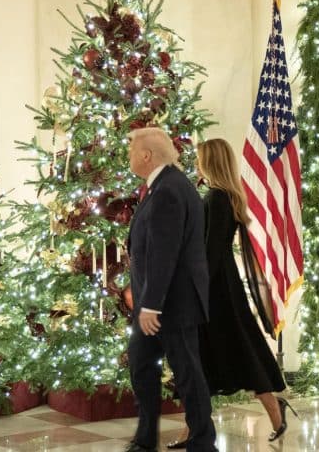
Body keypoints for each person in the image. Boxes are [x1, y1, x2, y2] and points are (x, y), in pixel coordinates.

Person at [165, 139, 294, 449]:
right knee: (216, 355)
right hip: (220, 286)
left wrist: (193, 289)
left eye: (200, 159)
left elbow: (210, 252)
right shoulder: (221, 196)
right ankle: (195, 428)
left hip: (217, 290)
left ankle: (272, 411)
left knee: (231, 353)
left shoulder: (218, 198)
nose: (196, 164)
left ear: (210, 162)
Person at [125, 127, 218, 452]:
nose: (129, 156)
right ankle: (146, 438)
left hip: (170, 305)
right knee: (142, 365)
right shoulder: (167, 185)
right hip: (163, 302)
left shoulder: (168, 190)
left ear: (146, 155)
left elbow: (164, 252)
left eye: (132, 150)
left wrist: (151, 305)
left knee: (187, 372)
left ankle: (202, 442)